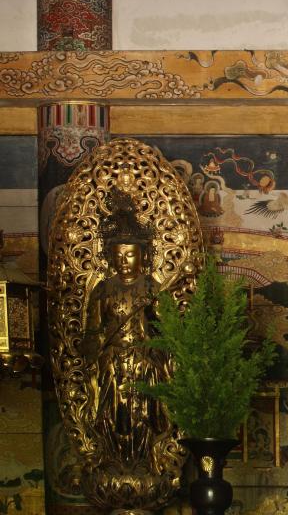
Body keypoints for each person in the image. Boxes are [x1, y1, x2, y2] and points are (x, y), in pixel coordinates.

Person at [81, 191, 174, 482]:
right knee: (111, 413)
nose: (124, 260)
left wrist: (155, 352)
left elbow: (167, 332)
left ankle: (146, 461)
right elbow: (93, 331)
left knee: (142, 413)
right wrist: (95, 353)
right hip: (112, 362)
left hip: (143, 361)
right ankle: (112, 459)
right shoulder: (103, 289)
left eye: (130, 254)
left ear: (143, 255)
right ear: (110, 257)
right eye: (118, 255)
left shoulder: (152, 287)